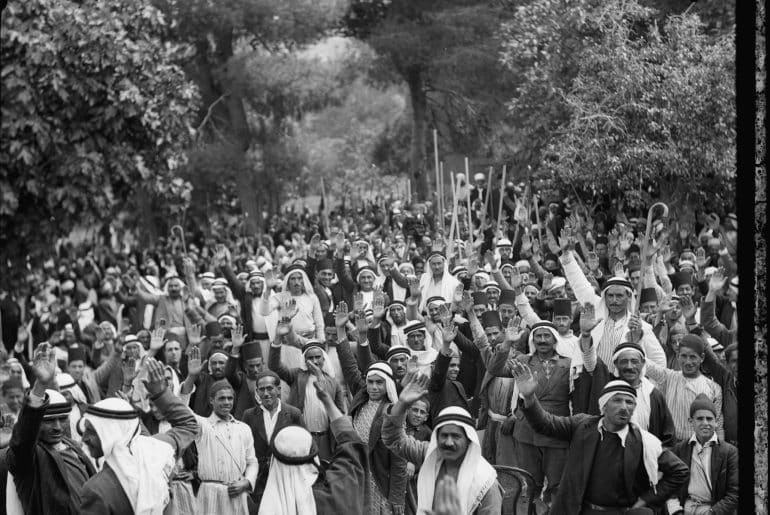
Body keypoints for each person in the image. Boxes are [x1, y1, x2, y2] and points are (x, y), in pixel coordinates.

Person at [512, 363, 689, 515]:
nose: (624, 407)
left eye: (629, 402)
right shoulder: (582, 426)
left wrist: (646, 500)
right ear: (604, 405)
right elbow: (545, 424)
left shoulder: (644, 442)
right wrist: (529, 397)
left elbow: (679, 471)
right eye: (617, 401)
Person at [79, 356, 199, 514]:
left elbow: (189, 424)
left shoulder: (96, 489)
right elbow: (188, 424)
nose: (84, 438)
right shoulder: (155, 450)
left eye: (92, 431)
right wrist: (161, 392)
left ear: (114, 433)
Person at [381, 374, 503, 515]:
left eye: (456, 436)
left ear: (469, 441)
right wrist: (402, 403)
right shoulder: (431, 454)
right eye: (444, 436)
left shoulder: (485, 483)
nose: (449, 442)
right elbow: (394, 439)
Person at [5, 343, 96, 514]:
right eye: (48, 421)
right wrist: (40, 385)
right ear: (35, 423)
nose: (57, 427)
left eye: (62, 419)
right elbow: (22, 439)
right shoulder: (28, 457)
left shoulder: (74, 448)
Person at [258, 380, 368, 515]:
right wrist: (328, 402)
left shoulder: (265, 506)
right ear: (312, 453)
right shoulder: (338, 488)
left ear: (275, 460)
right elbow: (352, 447)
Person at [573, 304, 676, 445]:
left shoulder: (653, 395)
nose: (629, 366)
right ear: (615, 365)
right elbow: (591, 363)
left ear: (642, 364)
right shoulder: (607, 385)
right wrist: (585, 335)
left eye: (634, 361)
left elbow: (667, 437)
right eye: (624, 361)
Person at [559, 250, 666, 367]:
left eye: (619, 296)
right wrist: (567, 255)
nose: (614, 300)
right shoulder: (597, 313)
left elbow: (659, 360)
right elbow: (580, 285)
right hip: (595, 381)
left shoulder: (639, 326)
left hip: (626, 382)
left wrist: (644, 381)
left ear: (629, 296)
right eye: (610, 296)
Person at [269, 337, 347, 460]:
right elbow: (275, 366)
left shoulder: (333, 382)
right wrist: (277, 340)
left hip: (325, 440)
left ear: (324, 359)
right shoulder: (296, 375)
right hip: (302, 437)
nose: (314, 361)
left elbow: (340, 414)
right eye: (310, 358)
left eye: (317, 357)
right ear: (305, 360)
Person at [192, 379, 259, 514]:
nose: (227, 402)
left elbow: (252, 461)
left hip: (236, 492)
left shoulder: (243, 428)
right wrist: (190, 378)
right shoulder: (203, 426)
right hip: (210, 494)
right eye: (222, 398)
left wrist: (247, 482)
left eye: (230, 398)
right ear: (211, 400)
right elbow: (181, 410)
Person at [644, 334, 724, 443]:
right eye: (684, 356)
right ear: (677, 356)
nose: (688, 362)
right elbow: (645, 364)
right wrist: (636, 339)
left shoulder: (714, 388)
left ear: (702, 358)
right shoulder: (669, 377)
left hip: (698, 447)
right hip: (671, 445)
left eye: (693, 357)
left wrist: (719, 453)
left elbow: (717, 425)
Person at [666, 395, 738, 515]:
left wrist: (712, 512)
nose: (705, 423)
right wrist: (676, 511)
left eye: (709, 419)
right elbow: (670, 486)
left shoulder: (729, 452)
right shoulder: (679, 449)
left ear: (716, 422)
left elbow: (734, 493)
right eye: (700, 419)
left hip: (714, 510)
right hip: (685, 508)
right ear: (691, 421)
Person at [242, 370, 304, 507]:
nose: (266, 393)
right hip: (258, 480)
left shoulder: (293, 414)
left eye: (270, 388)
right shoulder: (249, 415)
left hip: (285, 477)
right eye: (261, 389)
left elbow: (305, 447)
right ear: (257, 392)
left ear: (279, 389)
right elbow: (242, 448)